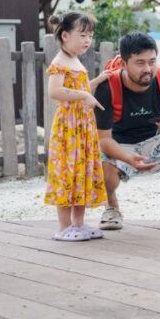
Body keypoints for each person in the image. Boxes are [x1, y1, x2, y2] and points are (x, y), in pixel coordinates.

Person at [94, 32, 160, 231]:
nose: (148, 69)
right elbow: (103, 139)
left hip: (155, 144)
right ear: (124, 63)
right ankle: (112, 208)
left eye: (152, 61)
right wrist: (127, 157)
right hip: (119, 148)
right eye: (140, 63)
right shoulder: (107, 87)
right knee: (97, 155)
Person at [45, 12, 110, 241]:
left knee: (80, 171)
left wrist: (98, 80)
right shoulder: (59, 62)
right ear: (65, 35)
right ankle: (64, 227)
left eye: (90, 35)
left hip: (81, 126)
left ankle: (78, 224)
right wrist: (83, 95)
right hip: (68, 128)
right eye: (82, 35)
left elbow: (80, 89)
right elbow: (55, 92)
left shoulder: (75, 61)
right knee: (67, 172)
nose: (87, 40)